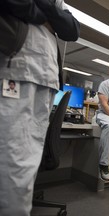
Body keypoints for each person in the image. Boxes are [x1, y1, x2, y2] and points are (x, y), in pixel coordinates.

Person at [0, 1, 80, 215]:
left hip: (47, 80)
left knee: (24, 169)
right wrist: (51, 17)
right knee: (13, 167)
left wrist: (46, 9)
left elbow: (72, 29)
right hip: (16, 69)